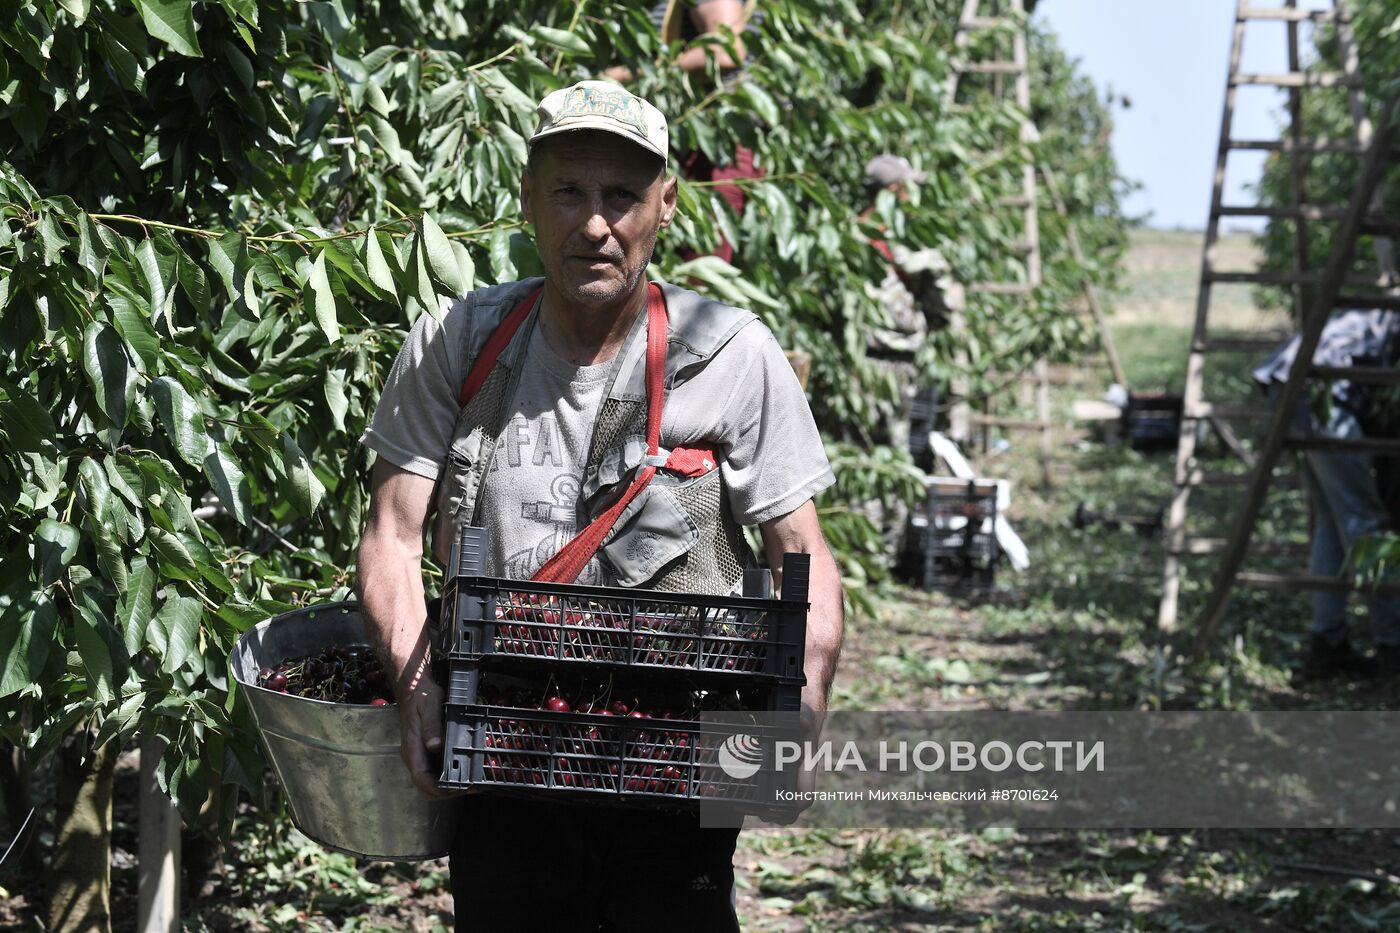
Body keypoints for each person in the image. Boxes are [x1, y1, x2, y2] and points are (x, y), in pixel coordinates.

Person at [355, 80, 844, 931]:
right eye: (569, 193)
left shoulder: (727, 356)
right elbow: (391, 538)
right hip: (504, 753)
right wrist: (419, 687)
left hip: (672, 764)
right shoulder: (457, 342)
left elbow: (799, 552)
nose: (594, 224)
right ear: (526, 200)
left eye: (621, 195)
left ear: (666, 203)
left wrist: (800, 714)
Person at [1253, 308, 1400, 679]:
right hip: (1318, 389)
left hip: (1289, 382)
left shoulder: (1381, 316)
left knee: (1333, 519)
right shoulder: (1393, 324)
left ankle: (1328, 639)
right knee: (1363, 518)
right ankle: (1393, 642)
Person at [607, 1, 763, 263]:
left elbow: (725, 51)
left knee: (695, 276)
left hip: (709, 148)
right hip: (697, 145)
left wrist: (619, 77)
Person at [860, 154, 953, 556]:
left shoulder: (853, 233)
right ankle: (882, 549)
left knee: (866, 448)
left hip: (863, 360)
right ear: (895, 190)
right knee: (889, 449)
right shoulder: (902, 242)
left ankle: (867, 546)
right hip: (890, 359)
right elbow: (942, 304)